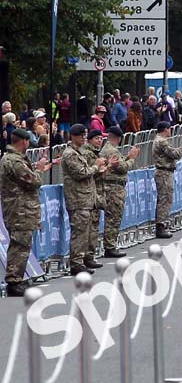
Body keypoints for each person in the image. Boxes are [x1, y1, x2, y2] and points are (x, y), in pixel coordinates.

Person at [0, 129, 52, 296]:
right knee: (19, 245)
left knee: (22, 245)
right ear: (24, 141)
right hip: (19, 209)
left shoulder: (14, 159)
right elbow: (33, 181)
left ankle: (17, 278)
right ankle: (14, 280)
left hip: (20, 208)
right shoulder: (14, 160)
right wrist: (39, 169)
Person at [62, 124, 108, 274]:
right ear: (73, 136)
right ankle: (76, 263)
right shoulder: (70, 154)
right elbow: (81, 173)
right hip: (77, 199)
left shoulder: (78, 152)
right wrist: (96, 166)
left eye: (84, 135)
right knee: (79, 232)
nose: (83, 137)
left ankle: (82, 260)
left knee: (85, 232)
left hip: (85, 198)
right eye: (81, 135)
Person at [99, 126, 139, 257]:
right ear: (119, 138)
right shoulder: (111, 150)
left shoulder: (109, 149)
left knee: (113, 217)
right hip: (113, 188)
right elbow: (122, 168)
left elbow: (119, 165)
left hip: (113, 187)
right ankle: (110, 246)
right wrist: (132, 158)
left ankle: (110, 245)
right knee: (113, 218)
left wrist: (127, 157)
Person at [153, 122, 182, 238]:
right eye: (169, 129)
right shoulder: (161, 141)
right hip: (164, 173)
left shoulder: (160, 140)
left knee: (165, 199)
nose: (170, 131)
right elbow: (175, 154)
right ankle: (160, 227)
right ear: (165, 129)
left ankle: (162, 224)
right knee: (165, 199)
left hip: (165, 172)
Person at [82, 129, 108, 267]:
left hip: (97, 192)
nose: (99, 141)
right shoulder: (87, 153)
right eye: (97, 138)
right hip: (89, 193)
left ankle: (90, 255)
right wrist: (99, 168)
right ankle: (86, 257)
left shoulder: (96, 152)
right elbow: (87, 172)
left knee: (94, 226)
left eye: (101, 138)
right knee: (89, 227)